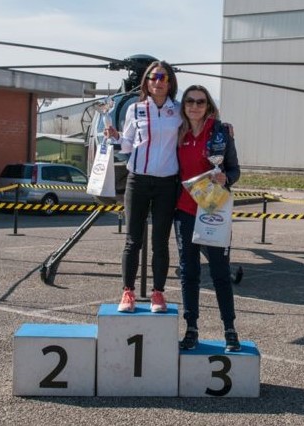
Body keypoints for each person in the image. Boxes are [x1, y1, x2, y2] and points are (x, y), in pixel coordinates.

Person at [105, 61, 182, 313]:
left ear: (169, 82)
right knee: (132, 241)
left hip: (166, 183)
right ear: (146, 82)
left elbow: (200, 124)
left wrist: (223, 127)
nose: (158, 82)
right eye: (153, 77)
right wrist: (116, 136)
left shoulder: (178, 110)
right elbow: (128, 144)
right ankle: (128, 292)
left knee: (160, 242)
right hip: (137, 180)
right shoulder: (135, 109)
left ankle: (158, 294)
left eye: (163, 77)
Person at [173, 85, 241, 352]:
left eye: (200, 102)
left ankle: (230, 330)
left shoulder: (220, 132)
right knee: (189, 272)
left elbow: (235, 169)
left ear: (208, 106)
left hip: (213, 210)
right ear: (183, 106)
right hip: (185, 211)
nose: (194, 106)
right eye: (189, 101)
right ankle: (191, 328)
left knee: (220, 272)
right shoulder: (178, 132)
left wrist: (227, 178)